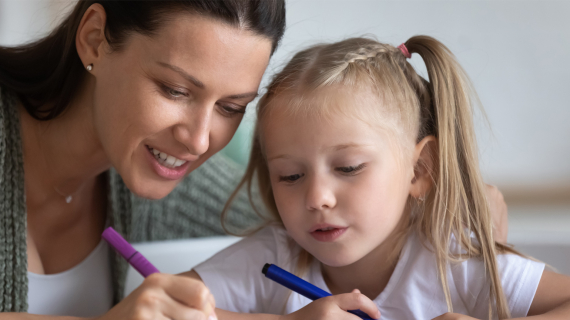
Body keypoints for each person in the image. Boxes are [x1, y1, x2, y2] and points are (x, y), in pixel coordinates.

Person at [187, 36, 570, 319]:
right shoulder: (274, 258)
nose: (317, 197)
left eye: (348, 168)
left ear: (419, 169)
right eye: (290, 175)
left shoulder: (455, 263)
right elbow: (159, 309)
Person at [0, 1, 285, 319]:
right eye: (174, 90)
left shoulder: (165, 172)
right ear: (95, 40)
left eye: (231, 108)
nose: (198, 140)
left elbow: (303, 219)